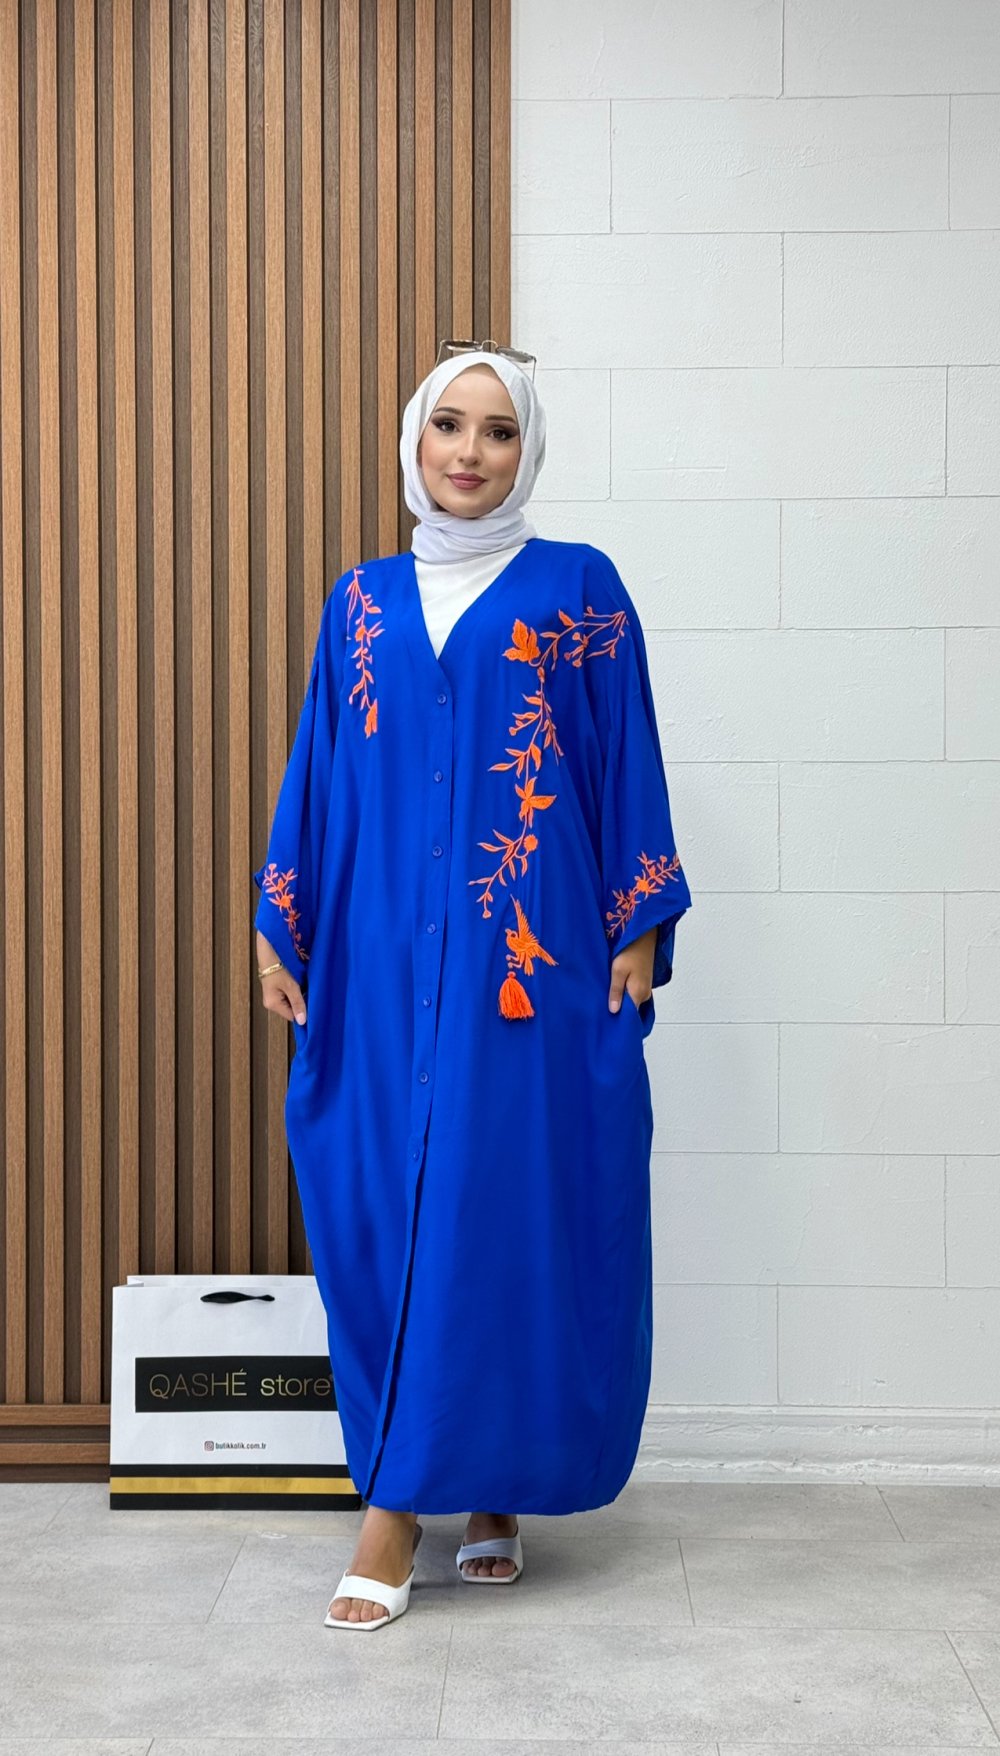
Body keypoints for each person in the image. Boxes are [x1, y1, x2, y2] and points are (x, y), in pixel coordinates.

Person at [253, 342, 693, 1631]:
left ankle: (402, 1510)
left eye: (499, 432)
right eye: (449, 425)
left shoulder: (577, 586)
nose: (470, 452)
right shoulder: (362, 600)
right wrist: (285, 920)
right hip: (384, 953)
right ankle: (471, 1486)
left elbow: (625, 750)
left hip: (527, 963)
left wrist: (637, 923)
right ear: (414, 441)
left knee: (497, 1208)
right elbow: (323, 767)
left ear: (527, 453)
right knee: (383, 1202)